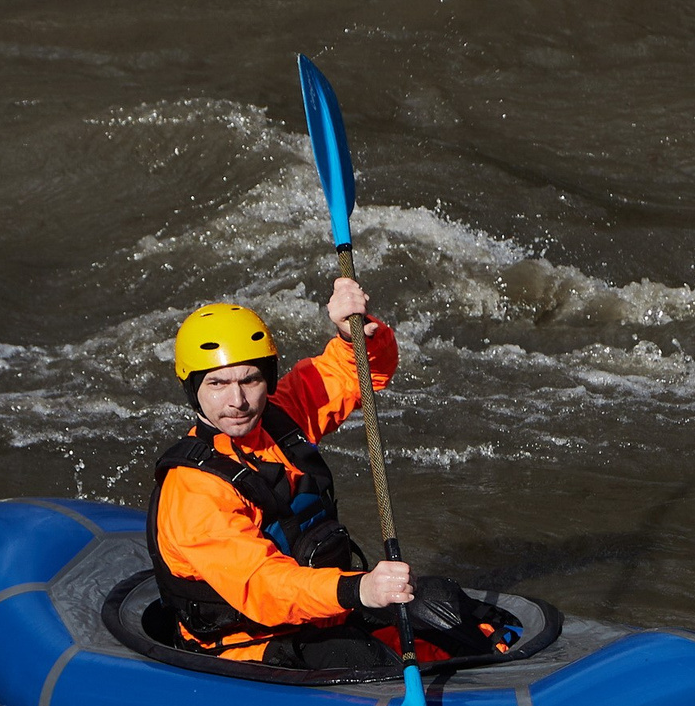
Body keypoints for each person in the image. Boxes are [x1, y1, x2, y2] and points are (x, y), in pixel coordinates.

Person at [147, 280, 497, 671]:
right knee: (361, 660)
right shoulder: (194, 490)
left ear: (269, 378)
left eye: (250, 380)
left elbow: (362, 374)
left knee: (443, 606)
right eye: (218, 384)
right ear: (193, 388)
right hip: (251, 642)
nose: (238, 401)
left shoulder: (280, 417)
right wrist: (357, 588)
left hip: (321, 610)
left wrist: (355, 334)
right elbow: (264, 586)